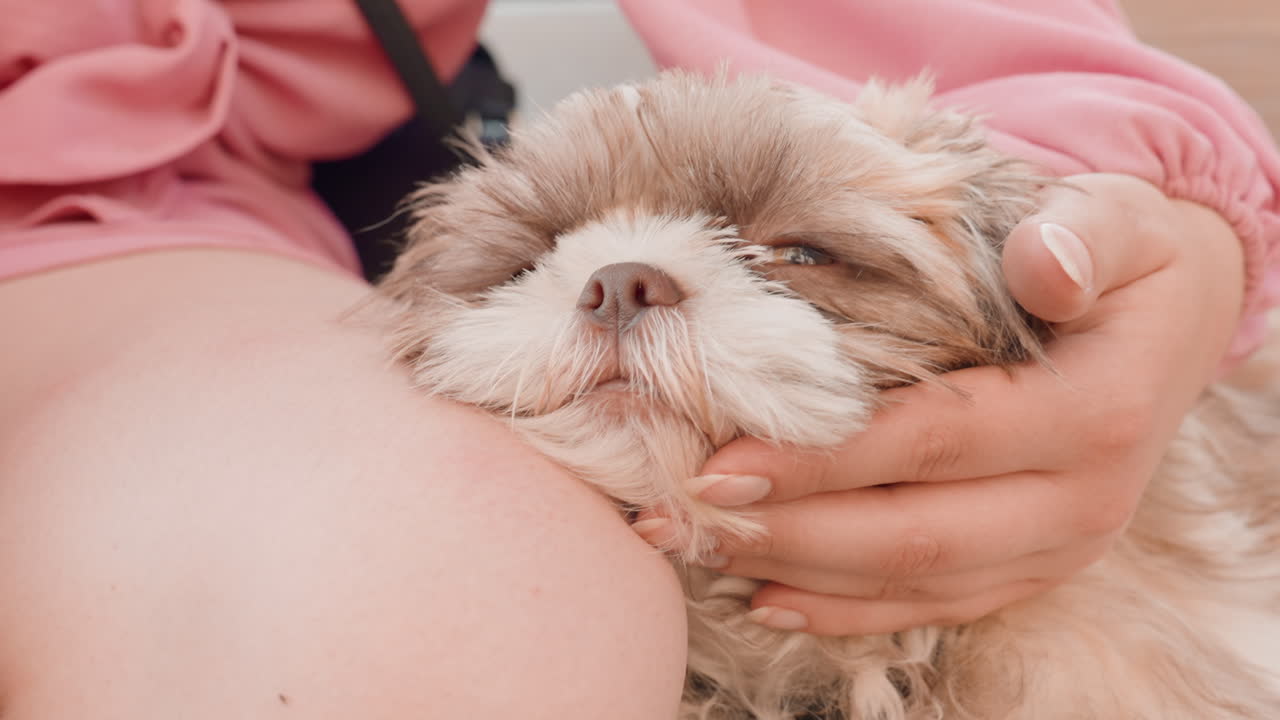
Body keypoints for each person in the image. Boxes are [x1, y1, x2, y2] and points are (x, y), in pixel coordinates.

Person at [0, 2, 1275, 719]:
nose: (621, 288)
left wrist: (1142, 200)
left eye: (791, 257)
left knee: (442, 571)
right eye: (529, 261)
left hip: (136, 221)